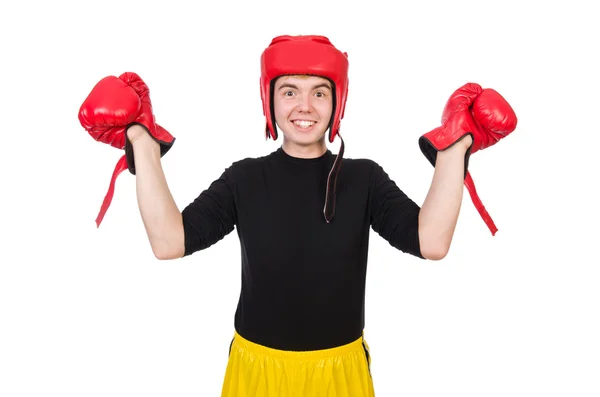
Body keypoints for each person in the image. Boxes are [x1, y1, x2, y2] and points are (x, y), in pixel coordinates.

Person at [79, 35, 517, 396]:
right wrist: (140, 138)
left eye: (319, 92)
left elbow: (432, 242)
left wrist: (454, 144)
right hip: (257, 372)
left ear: (336, 103)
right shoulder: (244, 178)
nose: (304, 106)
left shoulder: (363, 178)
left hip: (339, 373)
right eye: (290, 91)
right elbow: (169, 242)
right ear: (270, 101)